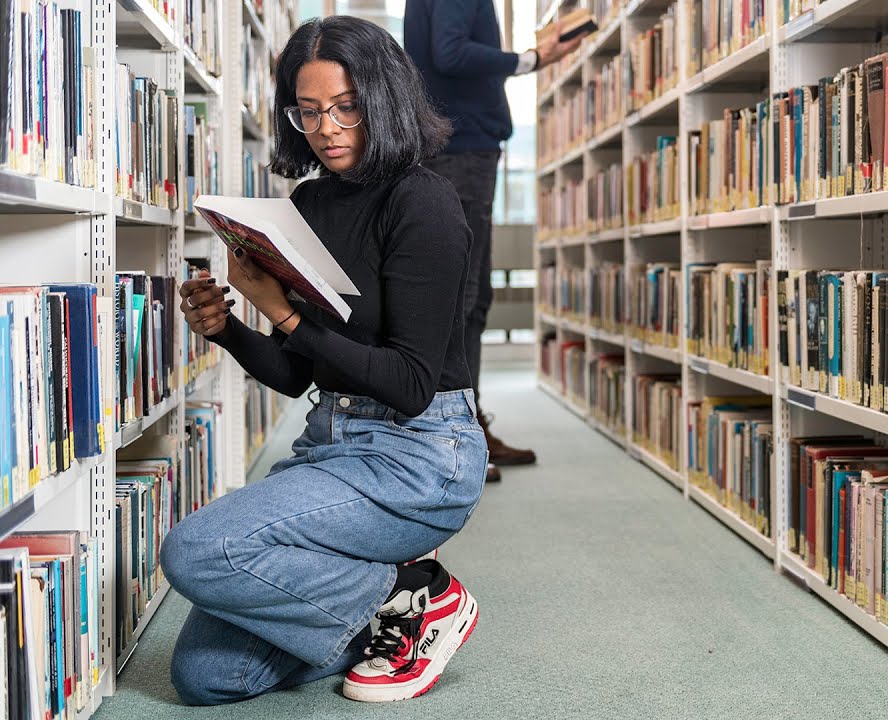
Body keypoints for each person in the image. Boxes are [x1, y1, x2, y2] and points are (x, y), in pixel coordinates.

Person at [162, 16, 485, 705]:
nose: (327, 128)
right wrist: (227, 329)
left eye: (345, 107)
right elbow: (296, 373)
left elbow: (410, 385)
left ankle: (415, 596)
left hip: (420, 456)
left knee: (196, 550)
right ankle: (381, 610)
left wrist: (280, 310)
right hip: (330, 442)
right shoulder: (307, 204)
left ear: (384, 98)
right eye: (308, 112)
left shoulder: (423, 201)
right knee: (207, 677)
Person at [403, 0, 583, 480]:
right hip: (462, 150)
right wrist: (531, 58)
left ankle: (466, 427)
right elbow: (451, 53)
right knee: (461, 300)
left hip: (457, 149)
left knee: (470, 297)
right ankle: (451, 438)